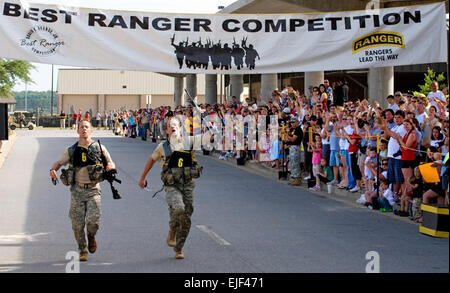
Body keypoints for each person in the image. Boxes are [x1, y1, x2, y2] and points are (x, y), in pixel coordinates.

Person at [138, 116, 206, 259]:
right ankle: (172, 229)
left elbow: (209, 138)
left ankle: (179, 247)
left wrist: (214, 130)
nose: (173, 127)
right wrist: (143, 178)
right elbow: (151, 160)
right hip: (171, 185)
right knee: (178, 208)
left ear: (180, 127)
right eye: (170, 125)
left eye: (175, 125)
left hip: (187, 184)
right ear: (167, 130)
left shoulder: (189, 142)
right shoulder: (163, 147)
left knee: (187, 217)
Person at [49, 120, 116, 262]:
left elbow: (110, 162)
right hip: (77, 190)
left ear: (91, 131)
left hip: (93, 190)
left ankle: (91, 236)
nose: (84, 129)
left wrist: (110, 167)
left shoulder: (99, 148)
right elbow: (59, 162)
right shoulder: (71, 150)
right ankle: (82, 249)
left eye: (87, 127)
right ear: (77, 131)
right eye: (81, 127)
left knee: (93, 222)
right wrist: (53, 170)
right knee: (77, 223)